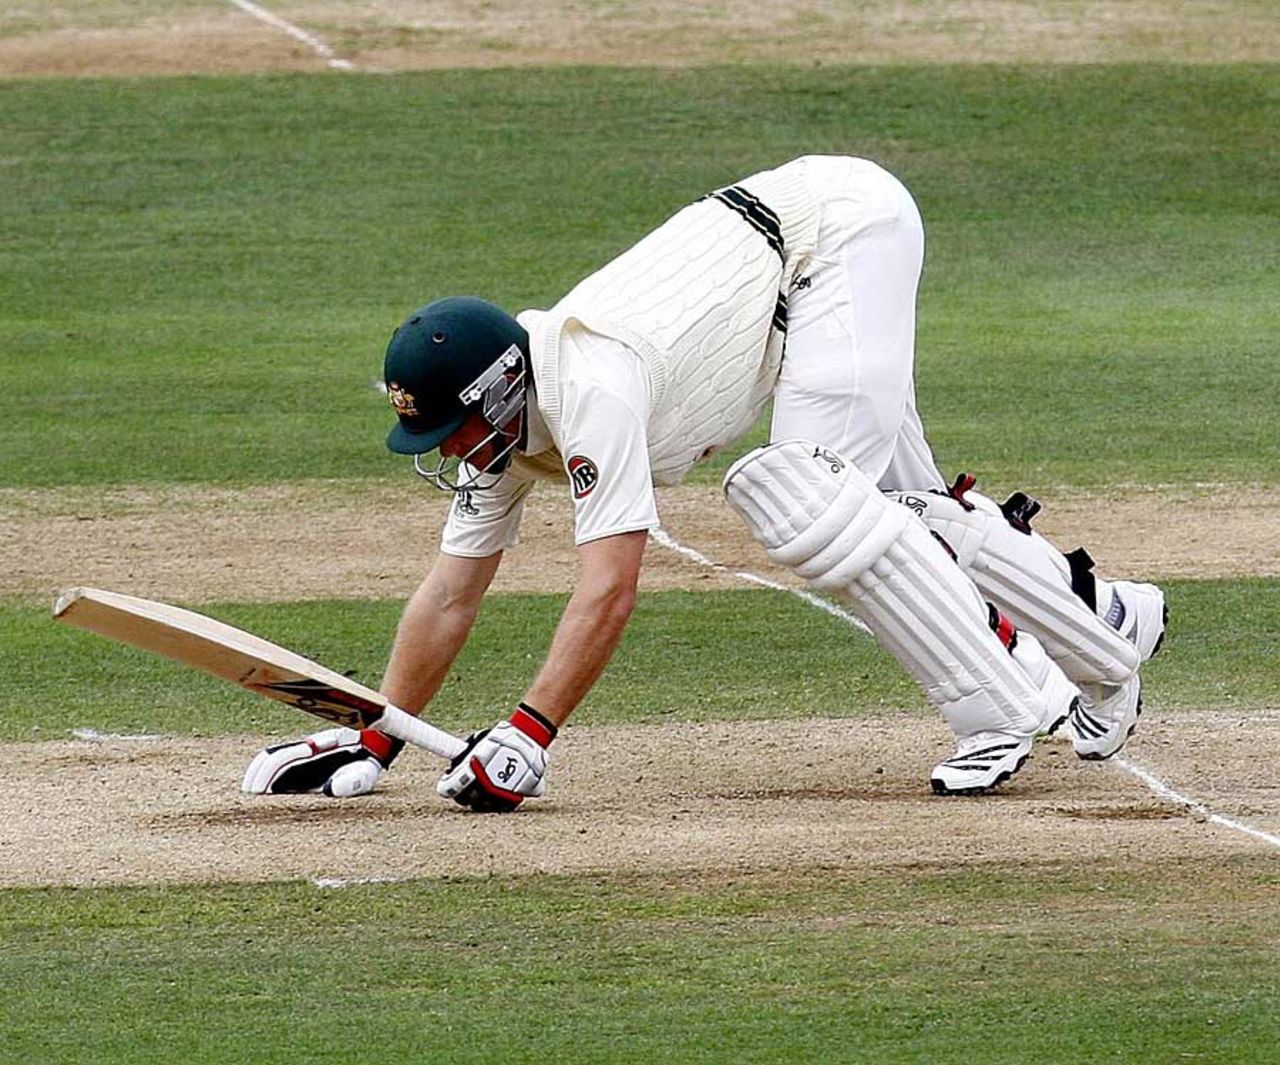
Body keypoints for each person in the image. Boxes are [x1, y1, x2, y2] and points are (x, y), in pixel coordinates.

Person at [242, 155, 1166, 809]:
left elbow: (609, 585)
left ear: (502, 390)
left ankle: (1006, 709)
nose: (452, 453)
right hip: (785, 271)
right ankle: (1108, 615)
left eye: (455, 430)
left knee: (805, 494)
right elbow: (451, 593)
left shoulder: (588, 387)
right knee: (897, 512)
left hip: (838, 237)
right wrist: (380, 730)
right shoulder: (504, 427)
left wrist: (529, 731)